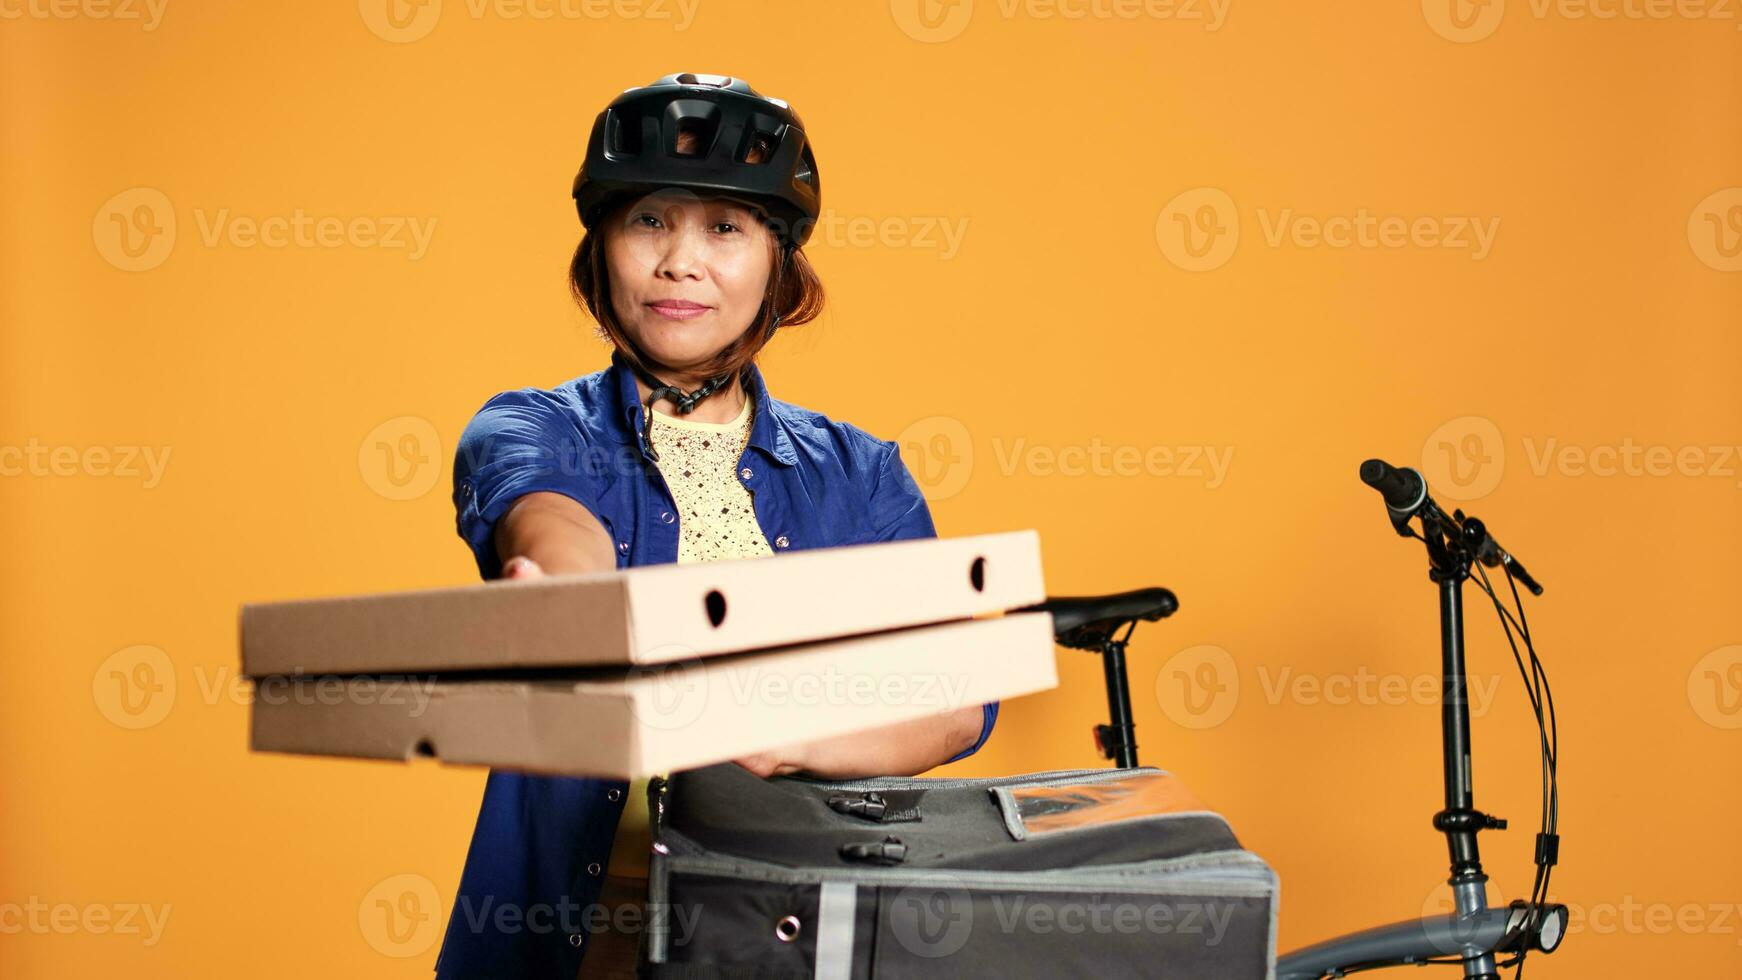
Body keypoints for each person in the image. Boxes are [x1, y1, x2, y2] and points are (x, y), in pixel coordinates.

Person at [433, 72, 1000, 979]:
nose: (680, 263)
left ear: (778, 258)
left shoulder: (865, 475)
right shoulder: (532, 426)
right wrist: (571, 601)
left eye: (724, 228)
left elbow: (955, 697)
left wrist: (793, 731)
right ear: (602, 246)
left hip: (789, 950)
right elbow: (551, 520)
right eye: (648, 220)